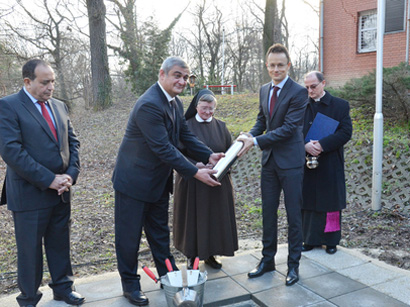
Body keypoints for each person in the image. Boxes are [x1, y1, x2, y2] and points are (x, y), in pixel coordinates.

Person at [112, 56, 224, 306]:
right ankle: (130, 286)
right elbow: (163, 148)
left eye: (186, 77)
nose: (182, 81)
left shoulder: (174, 103)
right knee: (129, 239)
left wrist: (208, 154)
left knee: (160, 234)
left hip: (158, 183)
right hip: (134, 184)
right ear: (162, 74)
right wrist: (195, 172)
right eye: (177, 75)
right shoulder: (149, 104)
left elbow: (184, 135)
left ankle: (169, 277)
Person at [0, 59, 84, 306]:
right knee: (30, 251)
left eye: (53, 81)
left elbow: (73, 142)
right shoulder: (8, 106)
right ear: (28, 81)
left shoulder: (58, 106)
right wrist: (49, 180)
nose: (51, 87)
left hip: (61, 191)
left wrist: (71, 174)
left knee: (60, 243)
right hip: (29, 194)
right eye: (45, 82)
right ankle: (29, 297)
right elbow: (11, 152)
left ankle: (63, 288)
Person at [237, 43, 307, 286]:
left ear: (289, 66)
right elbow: (261, 120)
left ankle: (293, 266)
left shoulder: (299, 92)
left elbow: (289, 129)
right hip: (269, 163)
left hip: (291, 163)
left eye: (281, 65)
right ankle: (267, 261)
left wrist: (255, 141)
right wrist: (247, 136)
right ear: (267, 66)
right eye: (272, 65)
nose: (276, 69)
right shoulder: (264, 89)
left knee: (293, 215)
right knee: (268, 213)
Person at [173, 90, 238, 270]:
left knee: (214, 220)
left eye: (211, 109)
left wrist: (226, 164)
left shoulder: (221, 126)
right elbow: (177, 154)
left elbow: (228, 150)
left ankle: (211, 254)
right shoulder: (185, 126)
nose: (208, 112)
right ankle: (191, 255)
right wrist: (196, 166)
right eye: (204, 108)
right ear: (196, 107)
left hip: (218, 181)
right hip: (192, 182)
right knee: (193, 220)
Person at [301, 71, 352, 254]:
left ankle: (331, 241)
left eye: (313, 86)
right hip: (306, 161)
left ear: (323, 83)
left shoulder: (340, 106)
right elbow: (292, 130)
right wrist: (305, 145)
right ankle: (308, 239)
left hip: (330, 162)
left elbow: (345, 132)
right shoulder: (301, 106)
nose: (310, 91)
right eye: (306, 87)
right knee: (307, 202)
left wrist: (322, 145)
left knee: (331, 203)